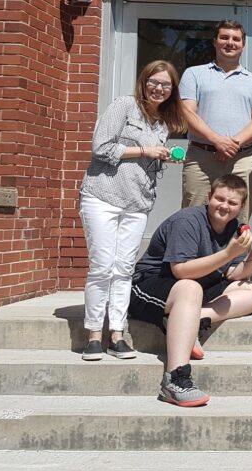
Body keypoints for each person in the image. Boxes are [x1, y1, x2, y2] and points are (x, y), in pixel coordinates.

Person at [128, 174, 252, 407]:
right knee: (190, 287)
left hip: (193, 288)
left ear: (241, 206)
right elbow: (181, 271)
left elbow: (234, 274)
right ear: (209, 197)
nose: (224, 206)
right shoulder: (188, 221)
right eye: (219, 199)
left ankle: (193, 320)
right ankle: (174, 380)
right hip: (150, 286)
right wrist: (228, 254)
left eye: (232, 203)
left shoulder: (236, 228)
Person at [78, 61, 188, 361]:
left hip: (137, 203)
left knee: (124, 268)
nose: (159, 88)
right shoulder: (124, 105)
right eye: (154, 81)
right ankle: (93, 335)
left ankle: (117, 333)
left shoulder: (163, 123)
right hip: (102, 195)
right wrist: (144, 151)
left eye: (166, 85)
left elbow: (146, 160)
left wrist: (162, 156)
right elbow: (100, 147)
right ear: (144, 80)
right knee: (102, 265)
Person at [179, 19, 252, 224]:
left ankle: (234, 257)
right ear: (215, 42)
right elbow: (188, 113)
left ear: (243, 45)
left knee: (238, 220)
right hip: (201, 158)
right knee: (192, 218)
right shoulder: (194, 74)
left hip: (242, 160)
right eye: (224, 37)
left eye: (236, 39)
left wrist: (233, 144)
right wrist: (217, 141)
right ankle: (190, 257)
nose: (230, 42)